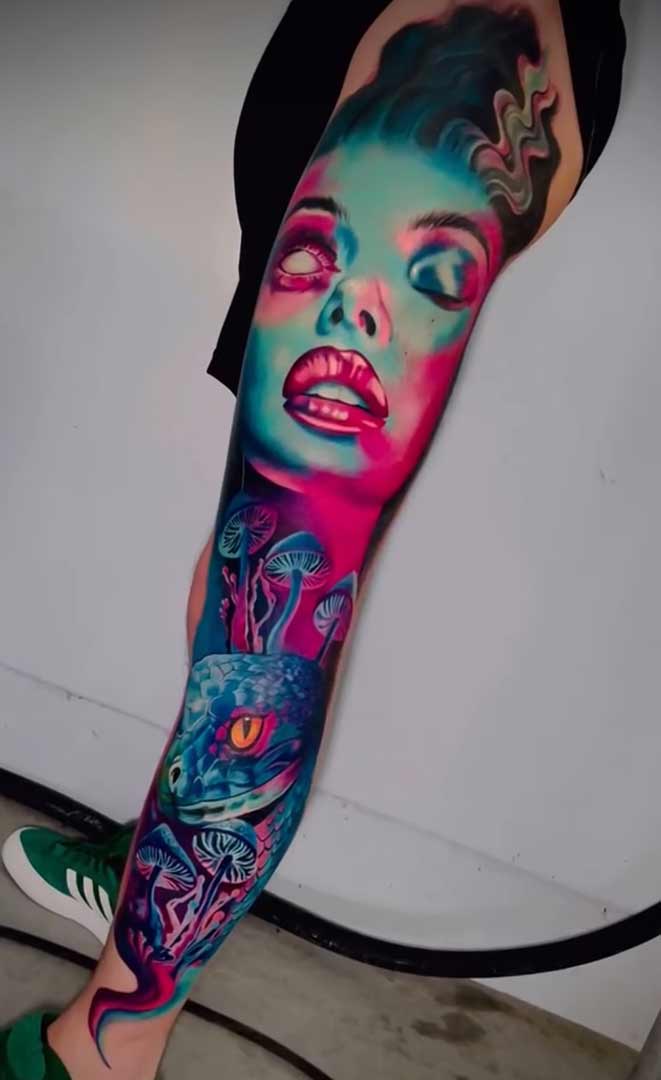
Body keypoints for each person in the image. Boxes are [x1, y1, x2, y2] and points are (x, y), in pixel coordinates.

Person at [0, 1, 626, 1077]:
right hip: (358, 89)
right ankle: (166, 871)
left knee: (277, 622)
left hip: (466, 48)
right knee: (246, 578)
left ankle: (112, 1044)